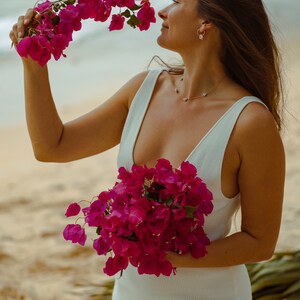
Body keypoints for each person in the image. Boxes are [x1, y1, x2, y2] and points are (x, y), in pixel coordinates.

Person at [10, 0, 285, 299]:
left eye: (178, 2)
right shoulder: (144, 89)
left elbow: (259, 242)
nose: (163, 10)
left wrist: (162, 256)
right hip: (132, 290)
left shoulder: (250, 122)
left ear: (207, 23)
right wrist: (34, 64)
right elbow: (52, 146)